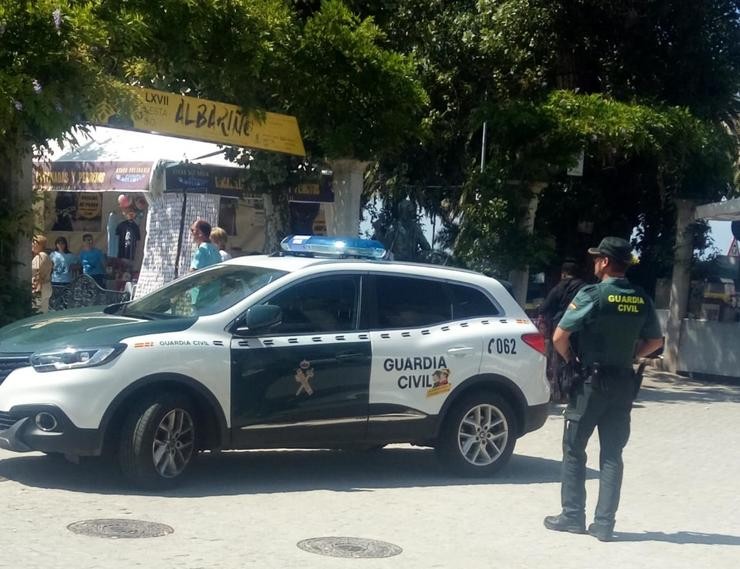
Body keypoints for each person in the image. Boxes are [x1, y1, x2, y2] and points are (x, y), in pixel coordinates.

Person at [544, 237, 663, 542]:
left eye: (598, 258)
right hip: (624, 382)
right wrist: (631, 354)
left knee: (573, 448)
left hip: (591, 383)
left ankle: (572, 516)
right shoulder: (641, 298)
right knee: (612, 454)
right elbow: (656, 342)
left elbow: (560, 336)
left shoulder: (593, 295)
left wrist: (573, 360)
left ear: (606, 262)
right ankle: (604, 524)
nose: (595, 262)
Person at [537, 261, 586, 401]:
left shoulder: (558, 288)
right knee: (578, 358)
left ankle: (560, 392)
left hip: (559, 328)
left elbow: (544, 308)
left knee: (558, 359)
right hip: (579, 329)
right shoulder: (585, 289)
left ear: (563, 273)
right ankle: (577, 387)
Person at [31, 235, 53, 313]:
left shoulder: (40, 256)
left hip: (40, 288)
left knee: (38, 313)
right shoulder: (45, 255)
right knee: (44, 311)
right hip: (45, 286)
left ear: (39, 244)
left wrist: (36, 289)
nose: (32, 245)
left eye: (33, 243)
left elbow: (38, 273)